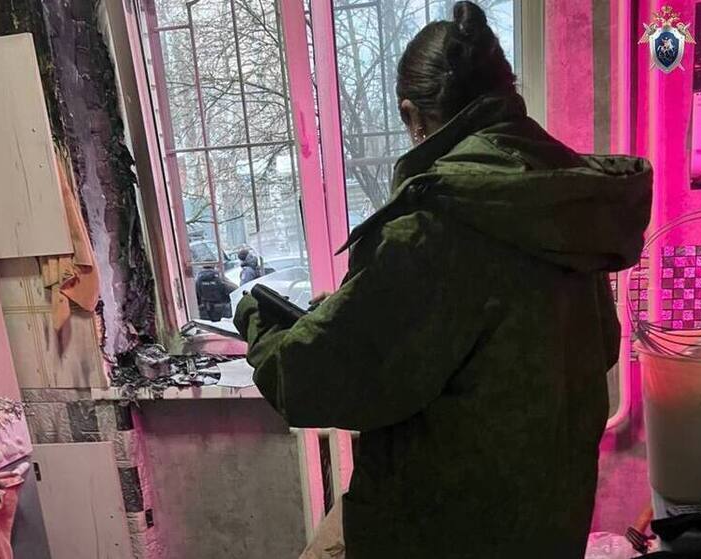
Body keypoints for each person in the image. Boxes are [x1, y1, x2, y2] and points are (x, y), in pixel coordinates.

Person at [235, 2, 652, 557]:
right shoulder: (561, 205)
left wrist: (257, 318)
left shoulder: (436, 227)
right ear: (505, 93)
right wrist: (355, 311)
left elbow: (311, 379)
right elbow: (590, 344)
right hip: (548, 527)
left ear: (412, 115)